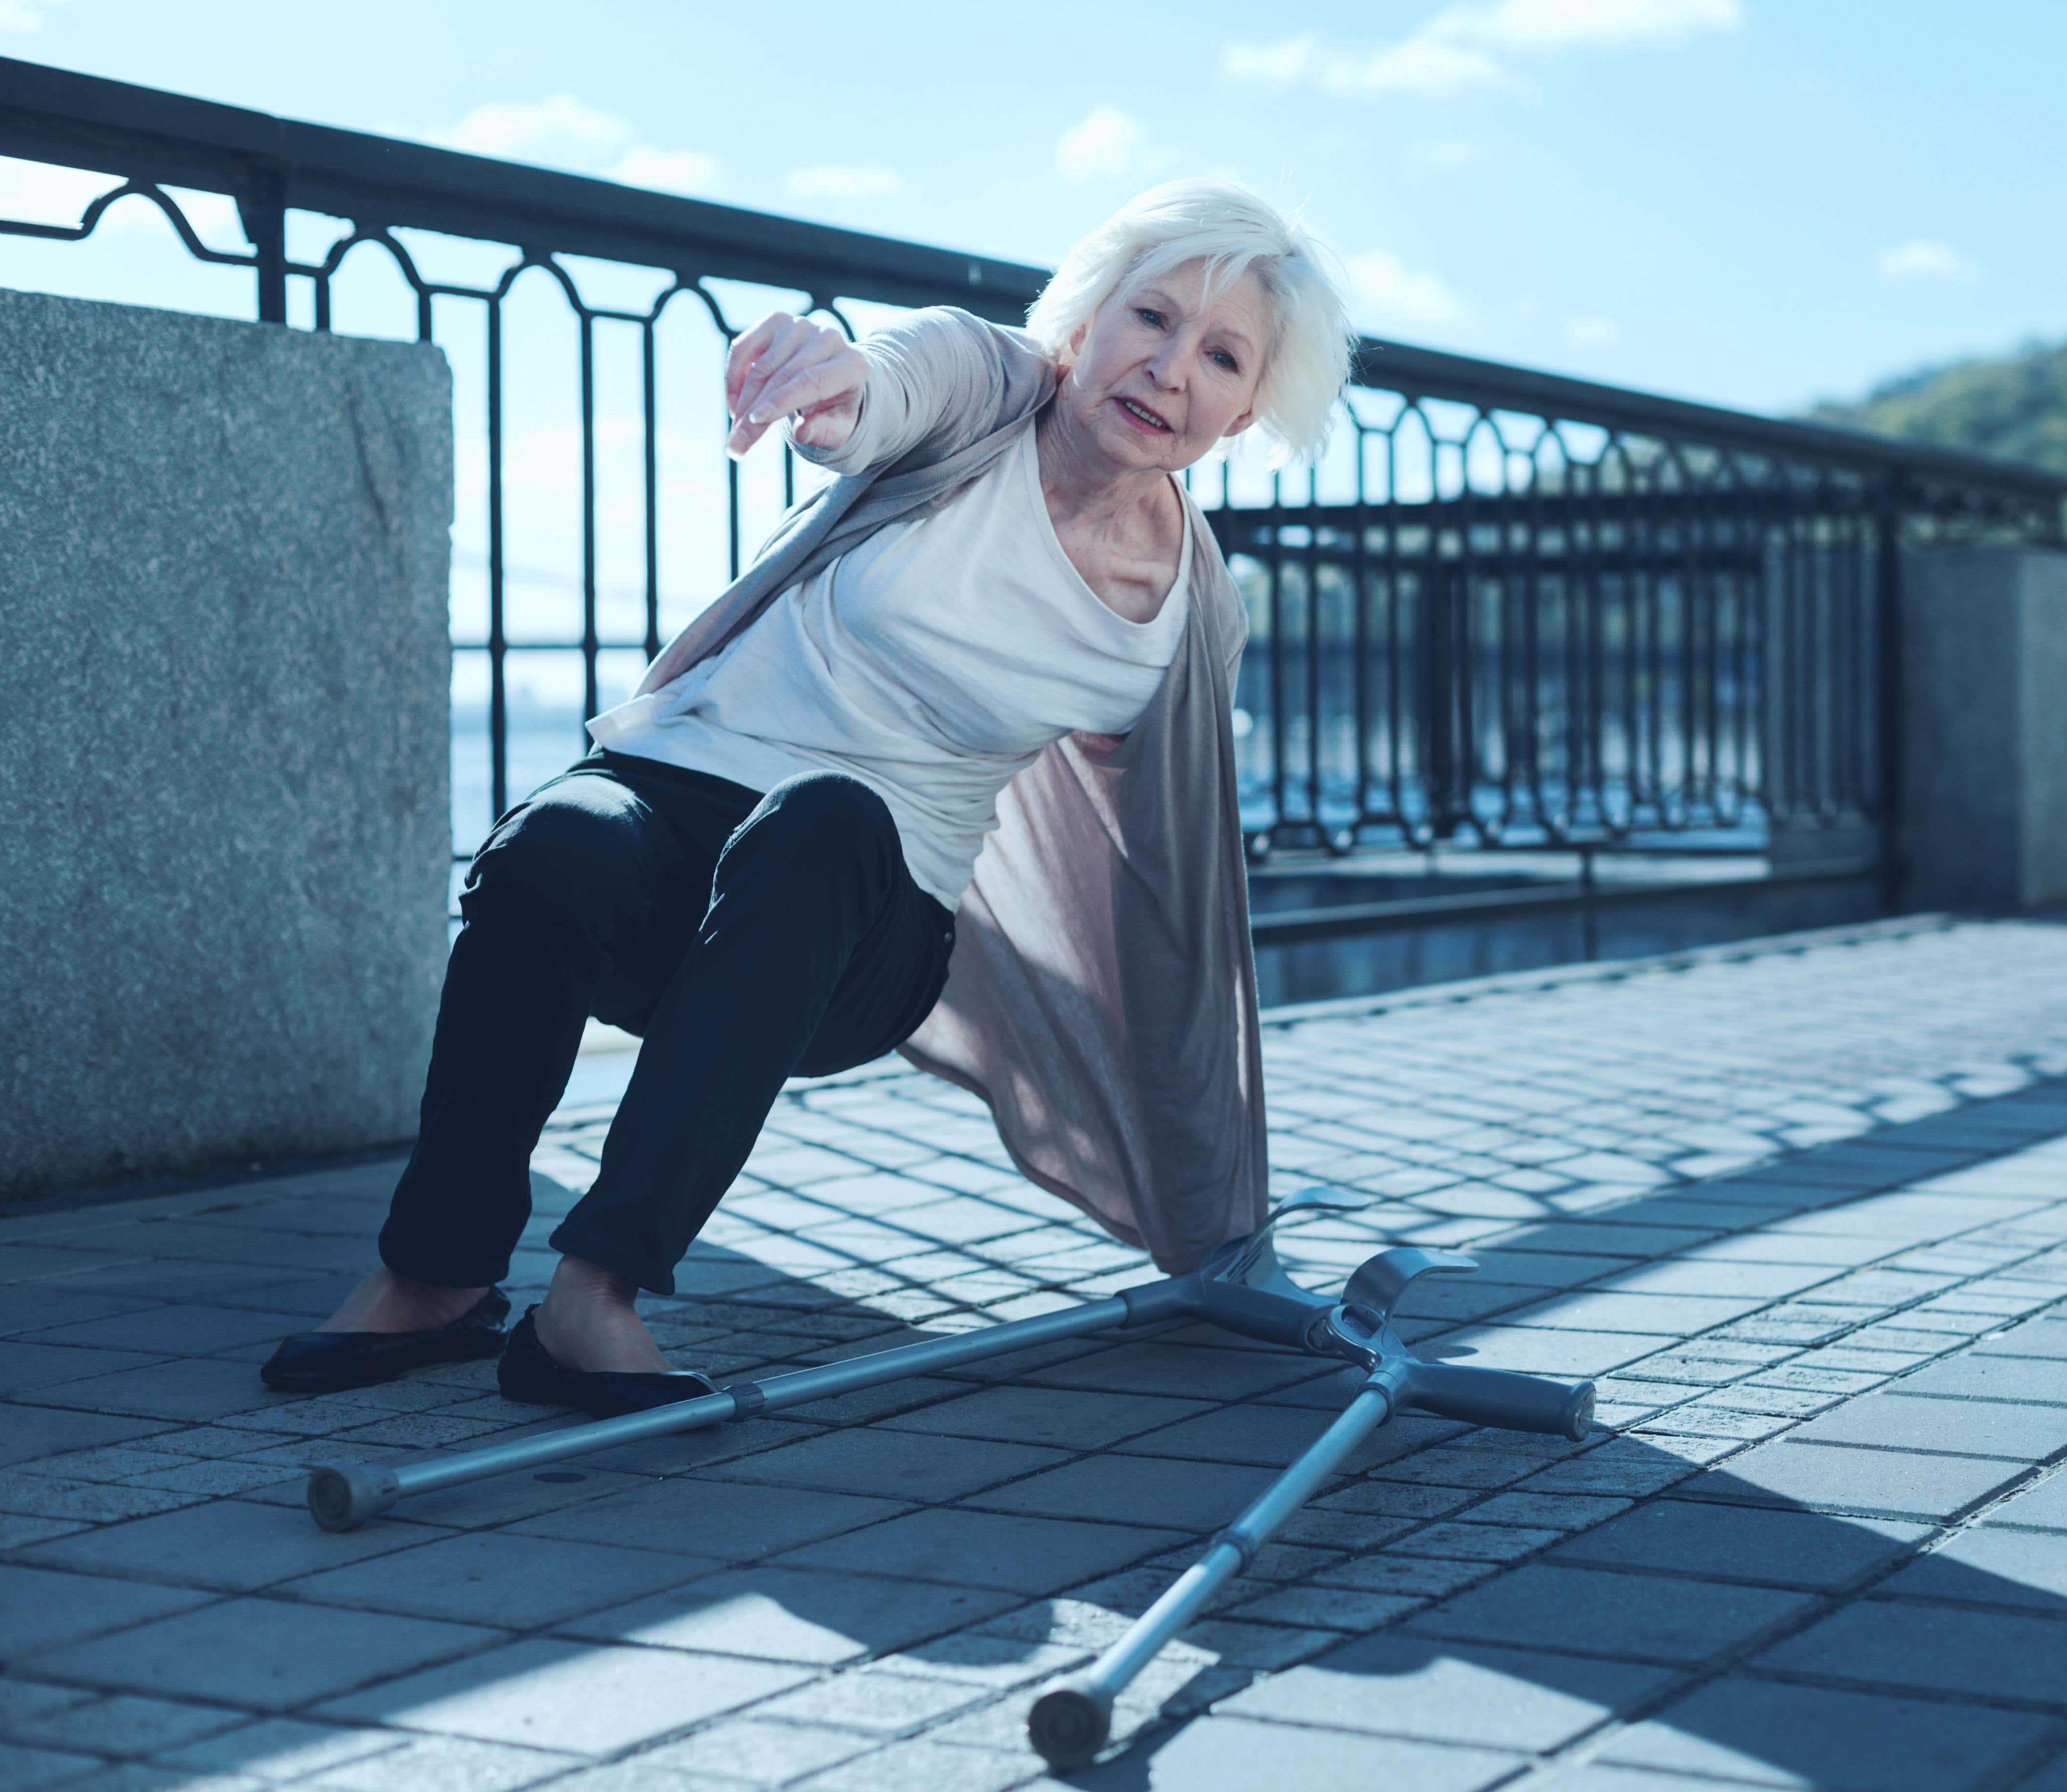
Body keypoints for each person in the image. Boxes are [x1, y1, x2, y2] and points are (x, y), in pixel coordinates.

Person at [262, 180, 1354, 1417]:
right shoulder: (988, 390)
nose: (1168, 369)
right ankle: (438, 1276)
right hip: (667, 827)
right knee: (554, 844)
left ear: (1252, 406)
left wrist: (1216, 1197)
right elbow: (883, 388)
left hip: (860, 920)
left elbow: (1176, 893)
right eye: (1149, 318)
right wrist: (825, 384)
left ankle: (593, 1299)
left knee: (823, 821)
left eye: (1219, 355)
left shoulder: (1188, 615)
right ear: (1084, 323)